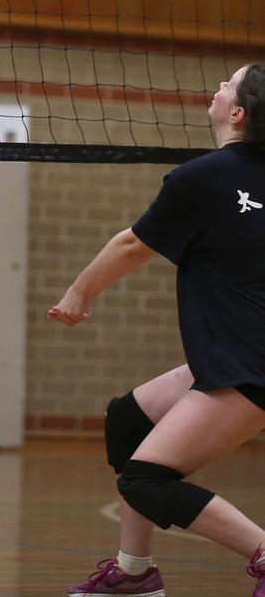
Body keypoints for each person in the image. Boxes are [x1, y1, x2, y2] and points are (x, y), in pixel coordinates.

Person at [49, 64, 265, 597]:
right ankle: (133, 573)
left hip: (246, 366)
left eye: (227, 83)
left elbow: (131, 245)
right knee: (127, 422)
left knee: (145, 480)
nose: (216, 87)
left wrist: (79, 293)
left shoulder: (202, 178)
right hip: (234, 356)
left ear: (237, 112)